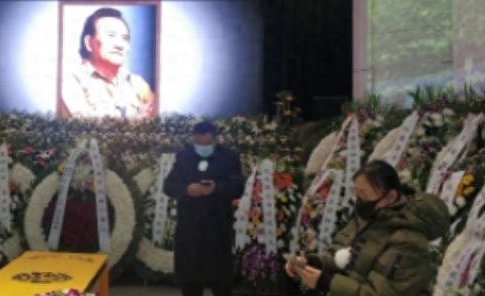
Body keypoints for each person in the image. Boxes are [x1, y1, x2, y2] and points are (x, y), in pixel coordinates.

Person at [285, 160, 450, 295]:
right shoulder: (368, 216)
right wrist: (312, 263)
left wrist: (327, 283)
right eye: (356, 193)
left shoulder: (409, 242)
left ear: (390, 196)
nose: (359, 201)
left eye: (364, 195)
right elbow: (338, 253)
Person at [163, 121, 244, 296]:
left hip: (218, 230)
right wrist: (186, 189)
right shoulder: (183, 157)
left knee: (221, 283)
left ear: (215, 139)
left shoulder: (229, 157)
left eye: (206, 143)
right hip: (189, 230)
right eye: (198, 142)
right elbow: (169, 186)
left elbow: (238, 188)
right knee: (190, 282)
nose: (202, 146)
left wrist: (216, 188)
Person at [60, 7, 156, 120]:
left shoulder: (137, 83)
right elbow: (84, 128)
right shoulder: (70, 81)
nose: (120, 45)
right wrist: (137, 120)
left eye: (125, 38)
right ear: (89, 43)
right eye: (111, 35)